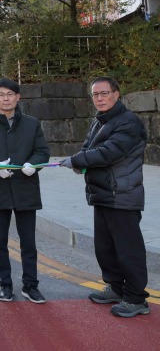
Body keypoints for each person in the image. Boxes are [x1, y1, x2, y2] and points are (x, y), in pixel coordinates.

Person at [59, 76, 150, 318]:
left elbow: (110, 152)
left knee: (128, 249)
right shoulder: (99, 121)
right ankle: (117, 288)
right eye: (95, 94)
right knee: (106, 247)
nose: (99, 98)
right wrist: (78, 162)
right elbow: (89, 149)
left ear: (117, 94)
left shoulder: (129, 122)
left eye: (104, 93)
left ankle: (136, 298)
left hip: (122, 194)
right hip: (102, 193)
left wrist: (77, 161)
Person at [0, 78, 50, 304]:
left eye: (10, 94)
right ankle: (5, 284)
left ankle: (30, 285)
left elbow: (42, 152)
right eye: (1, 94)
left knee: (29, 242)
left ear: (18, 97)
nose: (6, 98)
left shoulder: (32, 124)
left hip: (26, 188)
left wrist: (33, 164)